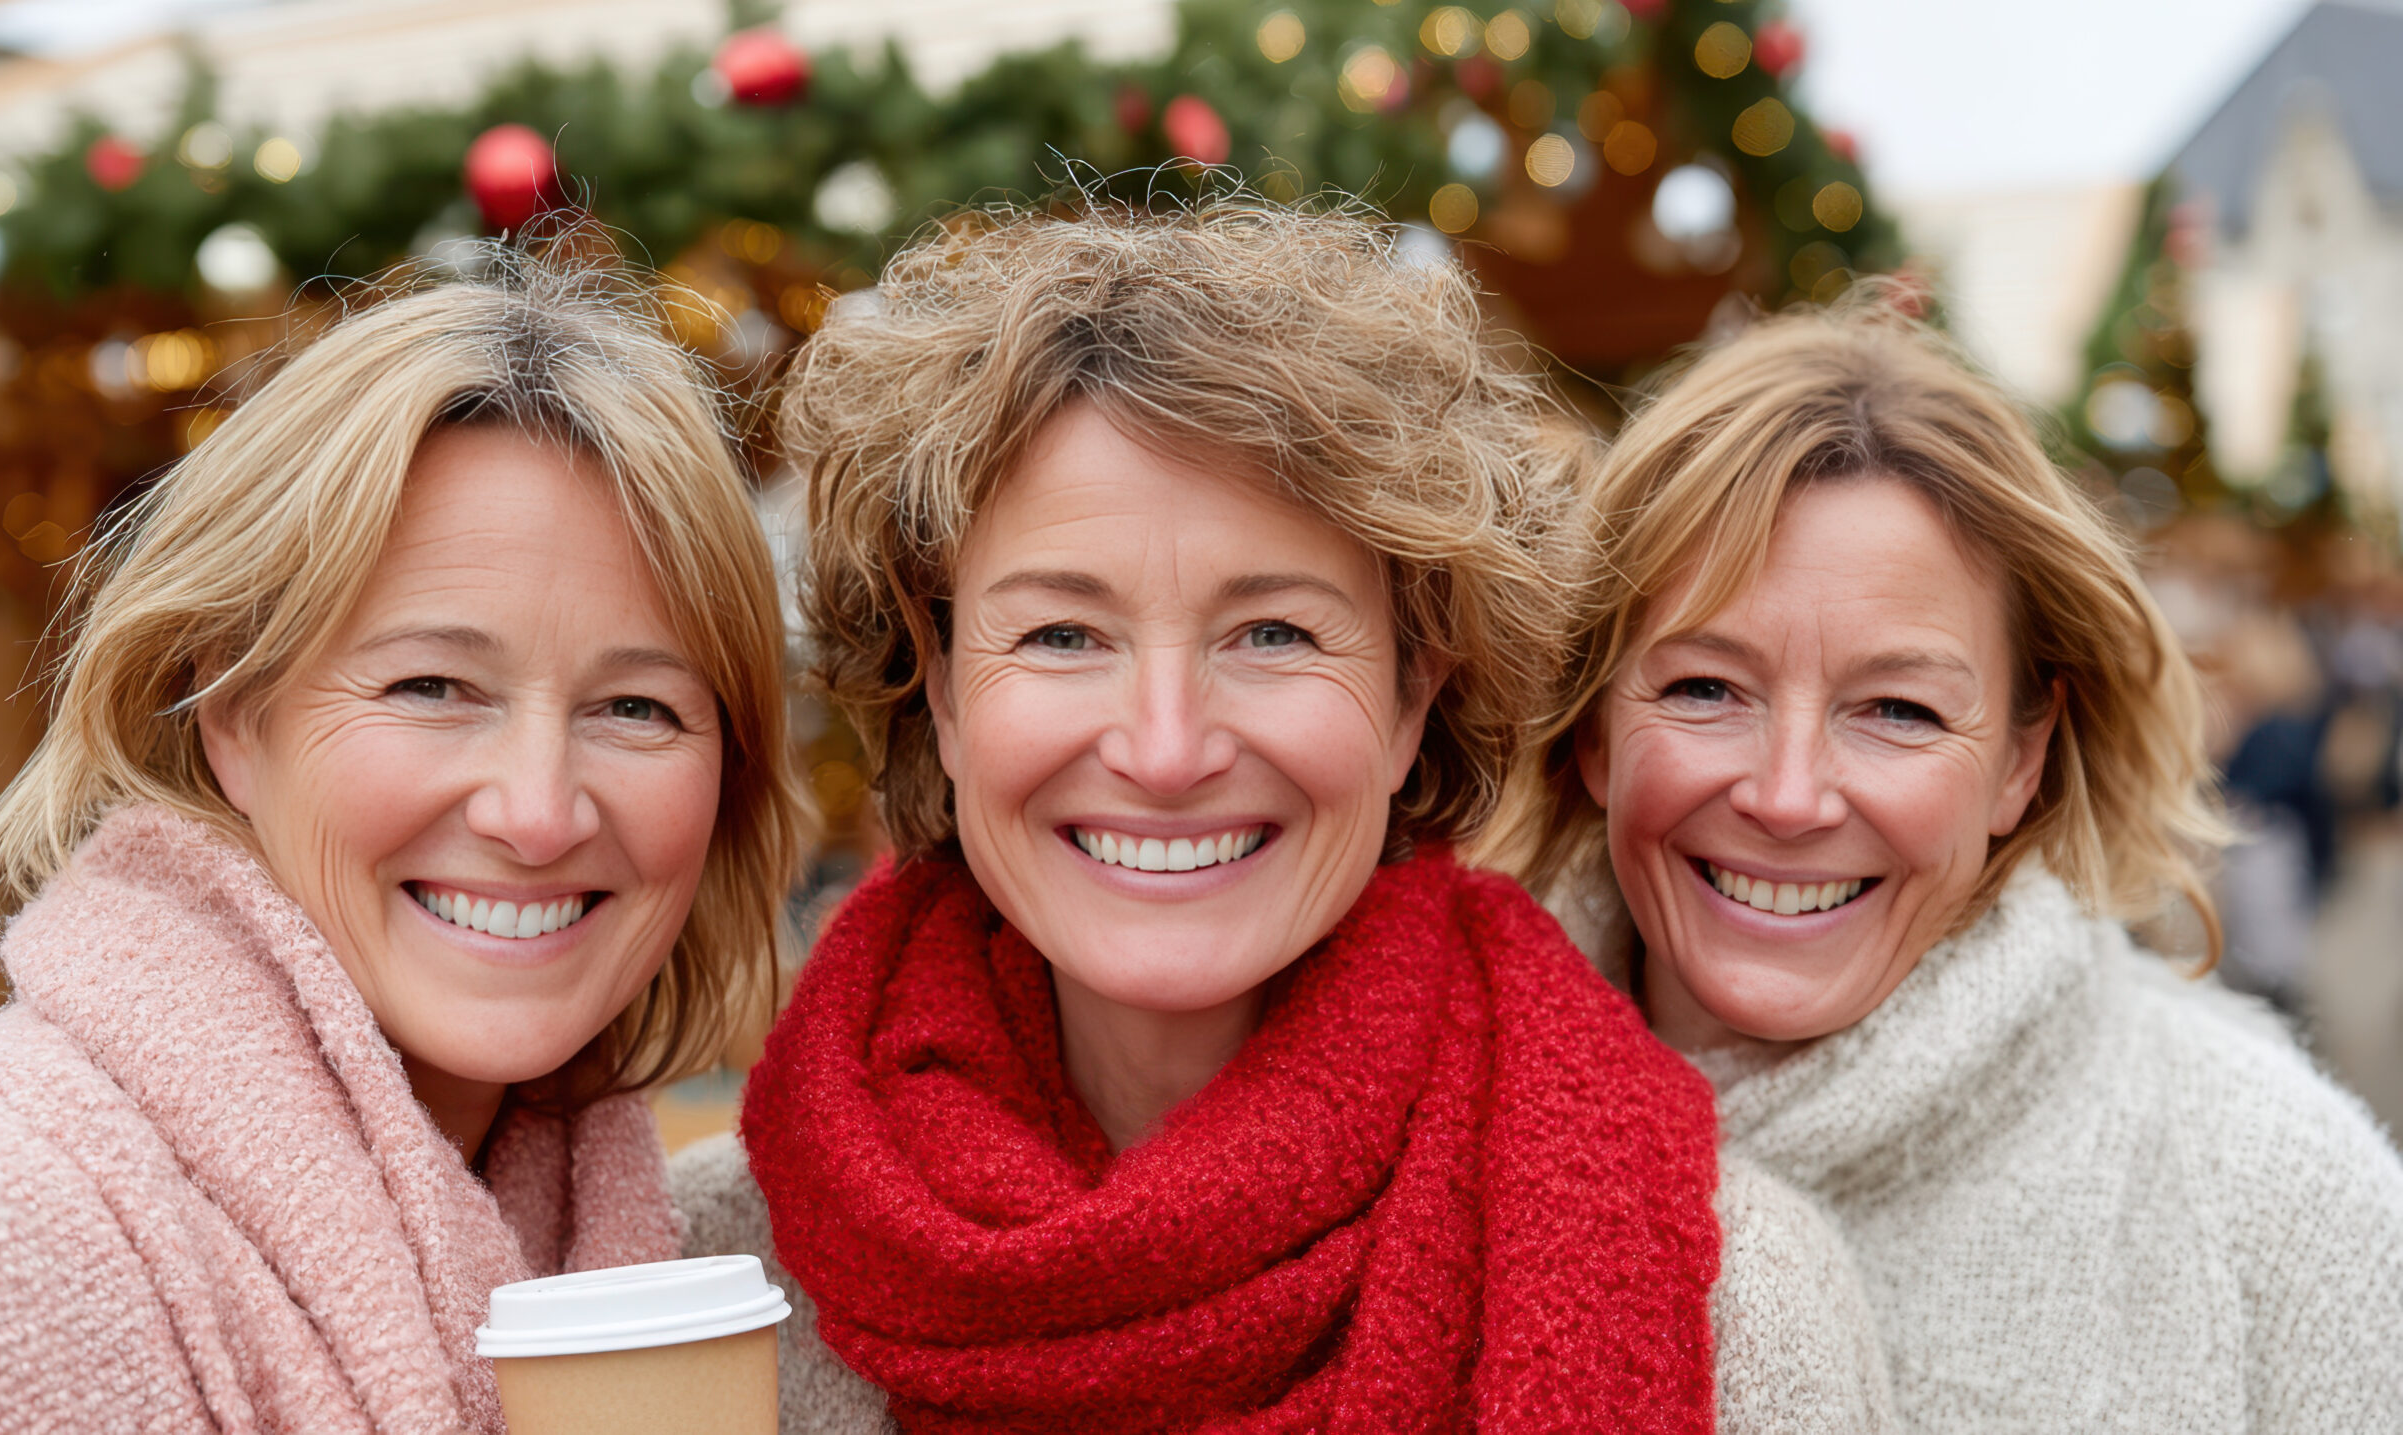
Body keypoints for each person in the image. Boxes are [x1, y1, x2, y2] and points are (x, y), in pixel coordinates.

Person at [675, 201, 1893, 1434]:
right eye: (1061, 634)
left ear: (1418, 686)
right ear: (937, 683)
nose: (1164, 749)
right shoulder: (707, 1288)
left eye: (1273, 633)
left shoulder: (1736, 1304)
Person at [0, 252, 805, 1431]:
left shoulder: (695, 1260)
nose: (540, 809)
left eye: (636, 708)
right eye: (434, 685)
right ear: (235, 715)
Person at [1488, 301, 2403, 1432]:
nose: (1786, 795)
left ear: (2021, 758)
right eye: (1704, 689)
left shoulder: (2280, 1200)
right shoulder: (1421, 1135)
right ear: (1591, 731)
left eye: (1897, 709)